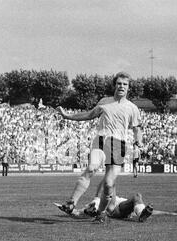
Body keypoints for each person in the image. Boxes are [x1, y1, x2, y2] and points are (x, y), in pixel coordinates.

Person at [56, 72, 143, 223]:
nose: (122, 86)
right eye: (119, 83)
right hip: (101, 139)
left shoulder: (133, 108)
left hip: (118, 145)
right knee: (91, 167)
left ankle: (101, 213)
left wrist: (138, 141)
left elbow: (137, 129)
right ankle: (71, 203)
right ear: (115, 85)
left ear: (128, 88)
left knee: (109, 185)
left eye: (125, 84)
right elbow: (89, 115)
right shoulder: (105, 101)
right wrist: (67, 116)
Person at [59, 179, 153, 222]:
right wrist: (71, 212)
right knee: (111, 184)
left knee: (137, 196)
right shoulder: (97, 201)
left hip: (121, 204)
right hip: (115, 208)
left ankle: (141, 214)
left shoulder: (98, 197)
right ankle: (140, 213)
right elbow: (78, 214)